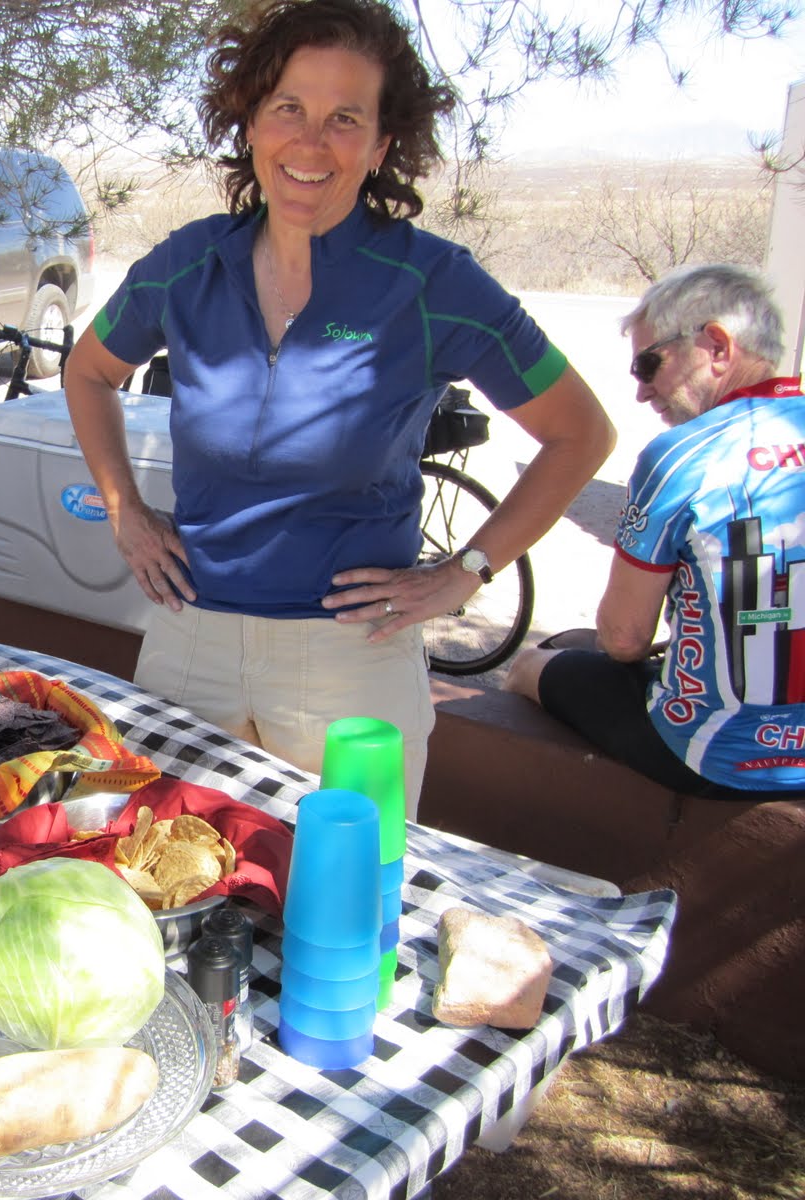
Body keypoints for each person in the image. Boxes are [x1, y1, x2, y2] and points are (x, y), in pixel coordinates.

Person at [63, 0, 614, 817]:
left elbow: (581, 434)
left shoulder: (432, 284)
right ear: (252, 123)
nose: (311, 143)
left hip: (354, 661)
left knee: (349, 892)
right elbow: (88, 372)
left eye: (345, 119)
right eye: (289, 108)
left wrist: (464, 573)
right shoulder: (189, 265)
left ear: (382, 145)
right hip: (189, 639)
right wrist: (125, 513)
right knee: (155, 868)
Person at [505, 265, 805, 800]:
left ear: (717, 346)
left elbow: (624, 640)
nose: (642, 392)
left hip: (716, 758)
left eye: (648, 364)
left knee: (529, 665)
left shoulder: (681, 456)